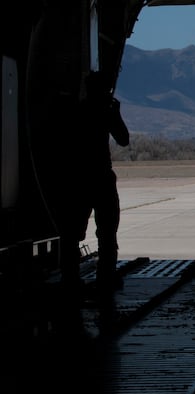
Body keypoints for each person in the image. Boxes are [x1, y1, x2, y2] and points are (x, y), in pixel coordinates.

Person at [78, 70, 130, 293]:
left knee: (73, 232)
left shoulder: (78, 111)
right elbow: (123, 139)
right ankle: (106, 276)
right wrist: (115, 114)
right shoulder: (105, 112)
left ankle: (71, 279)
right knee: (108, 232)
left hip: (78, 178)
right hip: (101, 177)